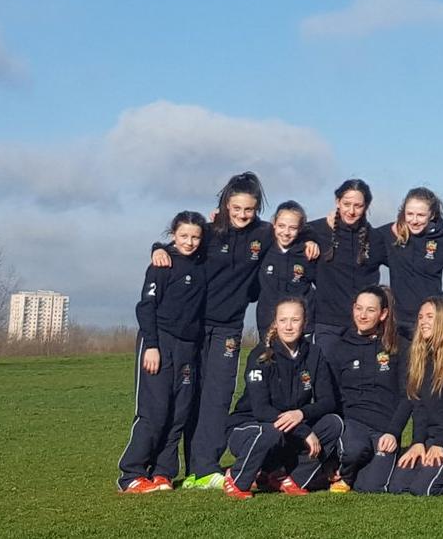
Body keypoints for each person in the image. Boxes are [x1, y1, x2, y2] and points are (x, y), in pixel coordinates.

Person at [151, 173, 319, 489]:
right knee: (185, 398)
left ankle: (203, 470)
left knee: (217, 397)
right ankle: (162, 469)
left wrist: (311, 240)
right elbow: (180, 240)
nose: (242, 215)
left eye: (249, 210)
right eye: (237, 208)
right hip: (195, 326)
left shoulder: (264, 233)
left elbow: (293, 228)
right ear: (226, 205)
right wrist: (157, 247)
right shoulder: (211, 231)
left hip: (228, 330)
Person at [117, 211, 208, 493]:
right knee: (154, 411)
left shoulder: (204, 264)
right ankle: (131, 475)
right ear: (173, 236)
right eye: (184, 236)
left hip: (188, 347)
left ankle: (163, 473)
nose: (190, 242)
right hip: (158, 343)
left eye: (195, 236)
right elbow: (146, 307)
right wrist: (152, 345)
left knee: (178, 411)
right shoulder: (162, 264)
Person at [220, 298, 339, 499]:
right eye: (283, 320)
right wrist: (303, 430)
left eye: (295, 320)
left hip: (289, 431)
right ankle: (237, 479)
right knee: (271, 430)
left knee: (333, 424)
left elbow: (328, 401)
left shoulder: (314, 354)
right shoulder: (261, 355)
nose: (289, 326)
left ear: (305, 322)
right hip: (251, 428)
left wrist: (301, 413)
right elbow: (261, 410)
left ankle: (283, 476)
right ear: (275, 323)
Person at [315, 286, 406, 493]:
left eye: (370, 310)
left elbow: (408, 395)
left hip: (384, 430)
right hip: (353, 424)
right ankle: (343, 467)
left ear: (383, 314)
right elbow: (331, 395)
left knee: (373, 487)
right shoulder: (340, 346)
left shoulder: (397, 346)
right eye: (359, 308)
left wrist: (393, 432)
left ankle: (351, 473)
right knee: (354, 449)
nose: (363, 315)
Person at [387, 297, 443, 496]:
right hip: (430, 435)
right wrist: (418, 442)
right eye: (420, 317)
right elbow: (418, 404)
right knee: (397, 486)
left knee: (423, 489)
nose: (423, 322)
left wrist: (439, 444)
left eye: (430, 316)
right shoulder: (420, 354)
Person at [309, 179, 387, 355]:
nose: (351, 211)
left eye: (358, 206)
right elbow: (284, 229)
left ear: (366, 206)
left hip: (364, 325)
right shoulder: (316, 230)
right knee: (326, 379)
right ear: (337, 202)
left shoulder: (376, 239)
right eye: (346, 204)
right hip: (327, 324)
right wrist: (308, 240)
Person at [379, 188, 443, 342]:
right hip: (400, 324)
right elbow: (359, 239)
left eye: (421, 215)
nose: (414, 220)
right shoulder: (390, 234)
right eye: (410, 214)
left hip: (434, 323)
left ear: (432, 214)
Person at [255, 202, 316, 340]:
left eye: (293, 228)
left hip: (302, 326)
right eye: (281, 226)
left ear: (300, 228)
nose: (286, 232)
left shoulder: (308, 253)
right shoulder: (264, 249)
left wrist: (311, 241)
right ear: (274, 223)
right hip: (268, 322)